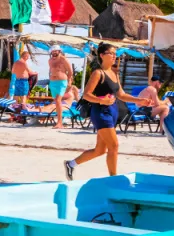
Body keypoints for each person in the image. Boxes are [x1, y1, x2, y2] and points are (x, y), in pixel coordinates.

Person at [64, 43, 151, 180]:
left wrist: (138, 100)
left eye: (115, 54)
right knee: (114, 145)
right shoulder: (98, 73)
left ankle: (71, 164)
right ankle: (113, 178)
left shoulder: (114, 74)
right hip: (100, 112)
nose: (114, 56)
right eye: (111, 53)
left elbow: (121, 95)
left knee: (100, 150)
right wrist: (101, 100)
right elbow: (86, 94)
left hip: (112, 112)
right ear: (102, 55)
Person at [48, 47, 74, 129]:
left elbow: (70, 72)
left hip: (61, 82)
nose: (54, 52)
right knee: (56, 101)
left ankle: (60, 123)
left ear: (59, 51)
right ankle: (59, 120)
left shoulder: (63, 60)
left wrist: (69, 82)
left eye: (55, 51)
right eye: (53, 51)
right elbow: (51, 70)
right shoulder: (50, 60)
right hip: (53, 82)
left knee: (58, 100)